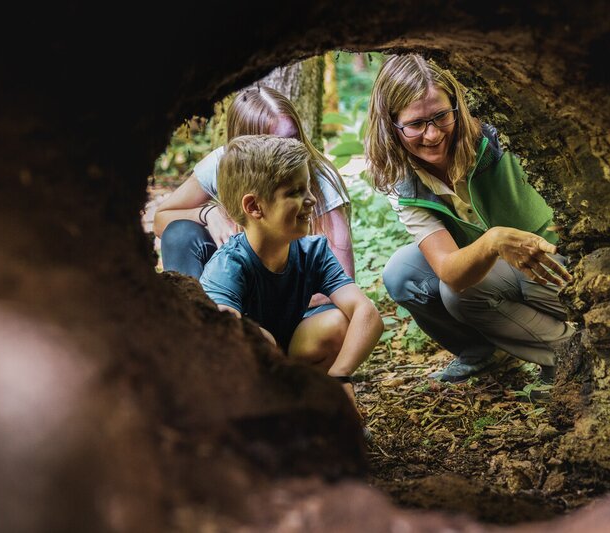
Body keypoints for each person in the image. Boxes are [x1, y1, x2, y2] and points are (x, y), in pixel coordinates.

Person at [364, 54, 574, 383]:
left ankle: (574, 353)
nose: (432, 135)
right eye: (416, 125)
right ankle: (541, 352)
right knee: (405, 273)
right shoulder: (403, 179)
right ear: (391, 125)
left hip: (552, 257)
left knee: (463, 289)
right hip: (489, 267)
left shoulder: (500, 134)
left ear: (458, 106)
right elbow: (451, 271)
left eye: (441, 117)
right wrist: (493, 241)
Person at [155, 85, 353, 363]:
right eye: (271, 143)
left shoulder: (314, 175)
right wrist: (208, 214)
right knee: (180, 233)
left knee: (332, 319)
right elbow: (162, 218)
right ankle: (197, 342)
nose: (284, 154)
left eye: (292, 140)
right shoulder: (222, 165)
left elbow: (343, 280)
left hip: (298, 313)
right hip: (236, 297)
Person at [200, 135, 383, 408]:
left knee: (337, 324)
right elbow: (220, 343)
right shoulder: (228, 266)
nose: (310, 200)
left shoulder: (313, 252)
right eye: (294, 192)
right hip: (245, 381)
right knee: (256, 338)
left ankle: (313, 403)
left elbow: (366, 314)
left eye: (308, 188)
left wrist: (340, 377)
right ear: (254, 207)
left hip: (291, 355)